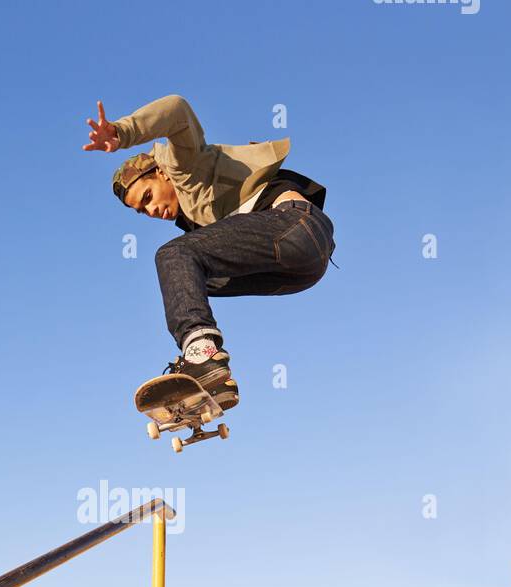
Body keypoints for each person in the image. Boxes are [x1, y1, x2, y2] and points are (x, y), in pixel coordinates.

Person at [85, 94, 334, 412]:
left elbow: (176, 109)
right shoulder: (194, 219)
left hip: (297, 226)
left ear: (160, 174)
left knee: (173, 256)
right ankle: (214, 377)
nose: (151, 211)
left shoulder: (184, 169)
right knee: (190, 279)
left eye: (148, 196)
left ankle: (201, 355)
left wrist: (122, 133)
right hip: (301, 269)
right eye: (141, 211)